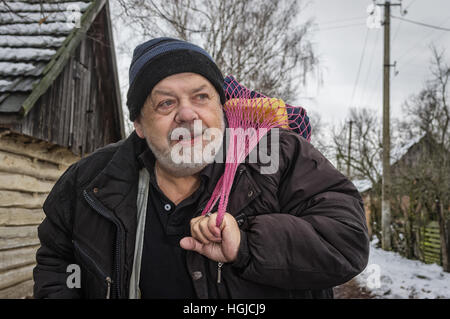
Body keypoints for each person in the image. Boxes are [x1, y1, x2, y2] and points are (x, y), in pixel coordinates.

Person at [33, 37, 369, 299]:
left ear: (222, 108)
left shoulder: (276, 156)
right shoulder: (88, 183)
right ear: (138, 123)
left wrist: (247, 244)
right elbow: (56, 261)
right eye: (166, 102)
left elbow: (347, 241)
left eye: (201, 97)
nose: (187, 114)